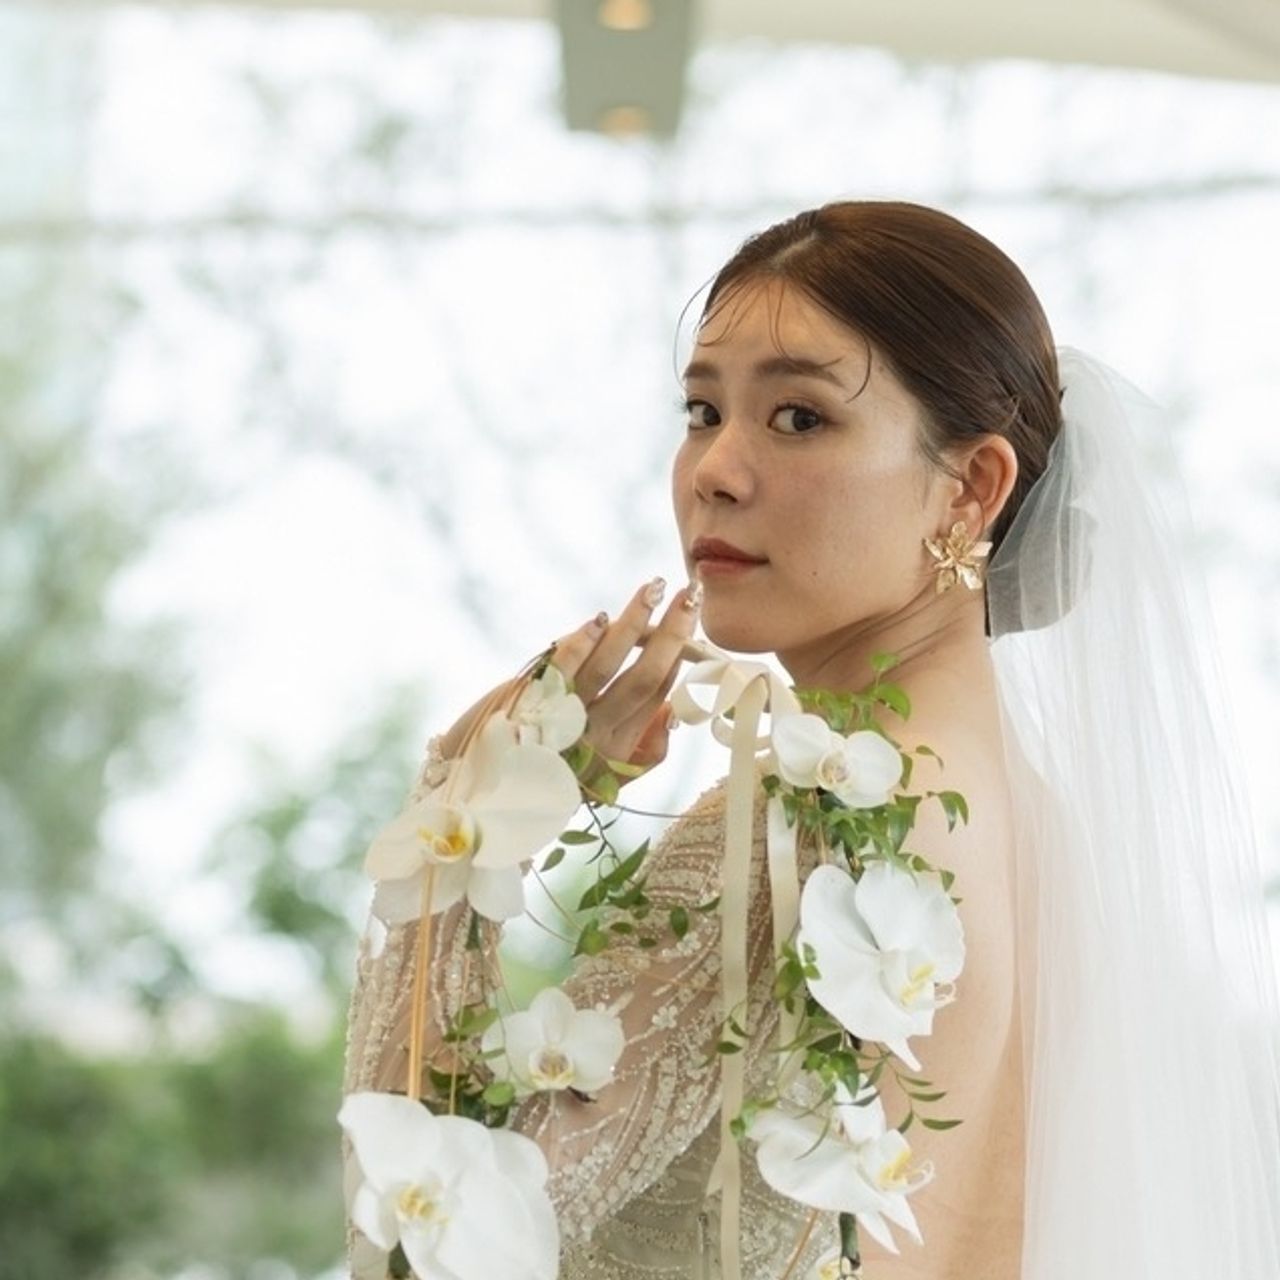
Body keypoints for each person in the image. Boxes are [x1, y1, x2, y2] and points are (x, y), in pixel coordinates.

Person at [342, 201, 1280, 1278]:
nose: (714, 469)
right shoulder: (1031, 823)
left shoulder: (807, 834)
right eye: (702, 410)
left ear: (970, 488)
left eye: (798, 417)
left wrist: (463, 817)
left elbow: (421, 1246)